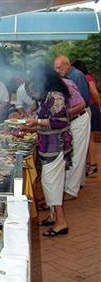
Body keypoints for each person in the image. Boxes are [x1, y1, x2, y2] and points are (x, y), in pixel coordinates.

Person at [23, 63, 72, 237]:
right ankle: (53, 216)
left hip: (56, 145)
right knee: (50, 183)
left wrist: (37, 123)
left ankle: (61, 222)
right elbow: (46, 118)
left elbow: (61, 122)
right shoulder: (48, 95)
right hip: (47, 145)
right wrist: (35, 126)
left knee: (51, 184)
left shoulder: (56, 95)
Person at [53, 55, 91, 201]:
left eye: (59, 67)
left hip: (79, 117)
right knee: (75, 153)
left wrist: (62, 114)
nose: (57, 70)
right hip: (73, 119)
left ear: (67, 65)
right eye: (55, 68)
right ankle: (75, 184)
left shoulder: (75, 77)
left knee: (77, 155)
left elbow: (83, 101)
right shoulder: (65, 79)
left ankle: (71, 190)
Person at [72, 60, 100, 178]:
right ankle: (88, 164)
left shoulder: (86, 77)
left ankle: (93, 165)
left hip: (91, 108)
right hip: (91, 107)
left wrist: (99, 106)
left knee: (90, 139)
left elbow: (94, 92)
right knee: (88, 139)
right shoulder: (85, 77)